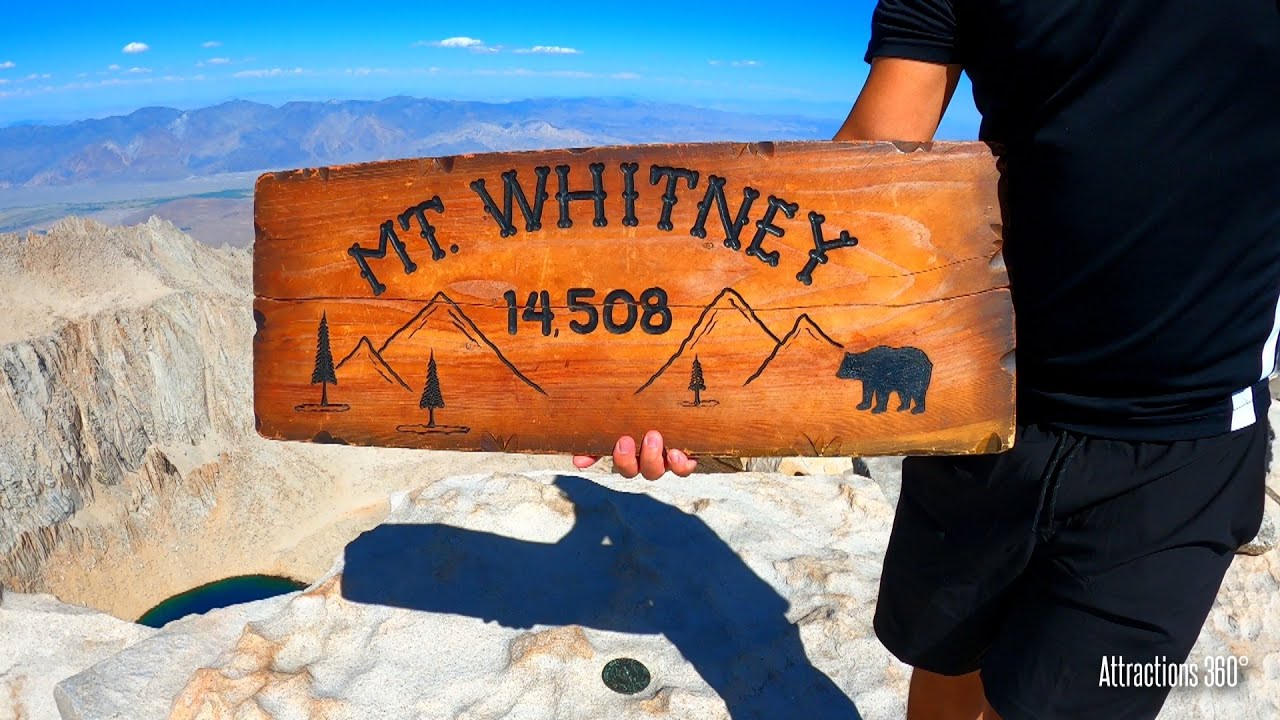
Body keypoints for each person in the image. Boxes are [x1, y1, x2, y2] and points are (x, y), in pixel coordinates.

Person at [576, 1, 1279, 718]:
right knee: (944, 656)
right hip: (973, 402)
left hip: (1181, 445)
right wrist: (666, 374)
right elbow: (865, 170)